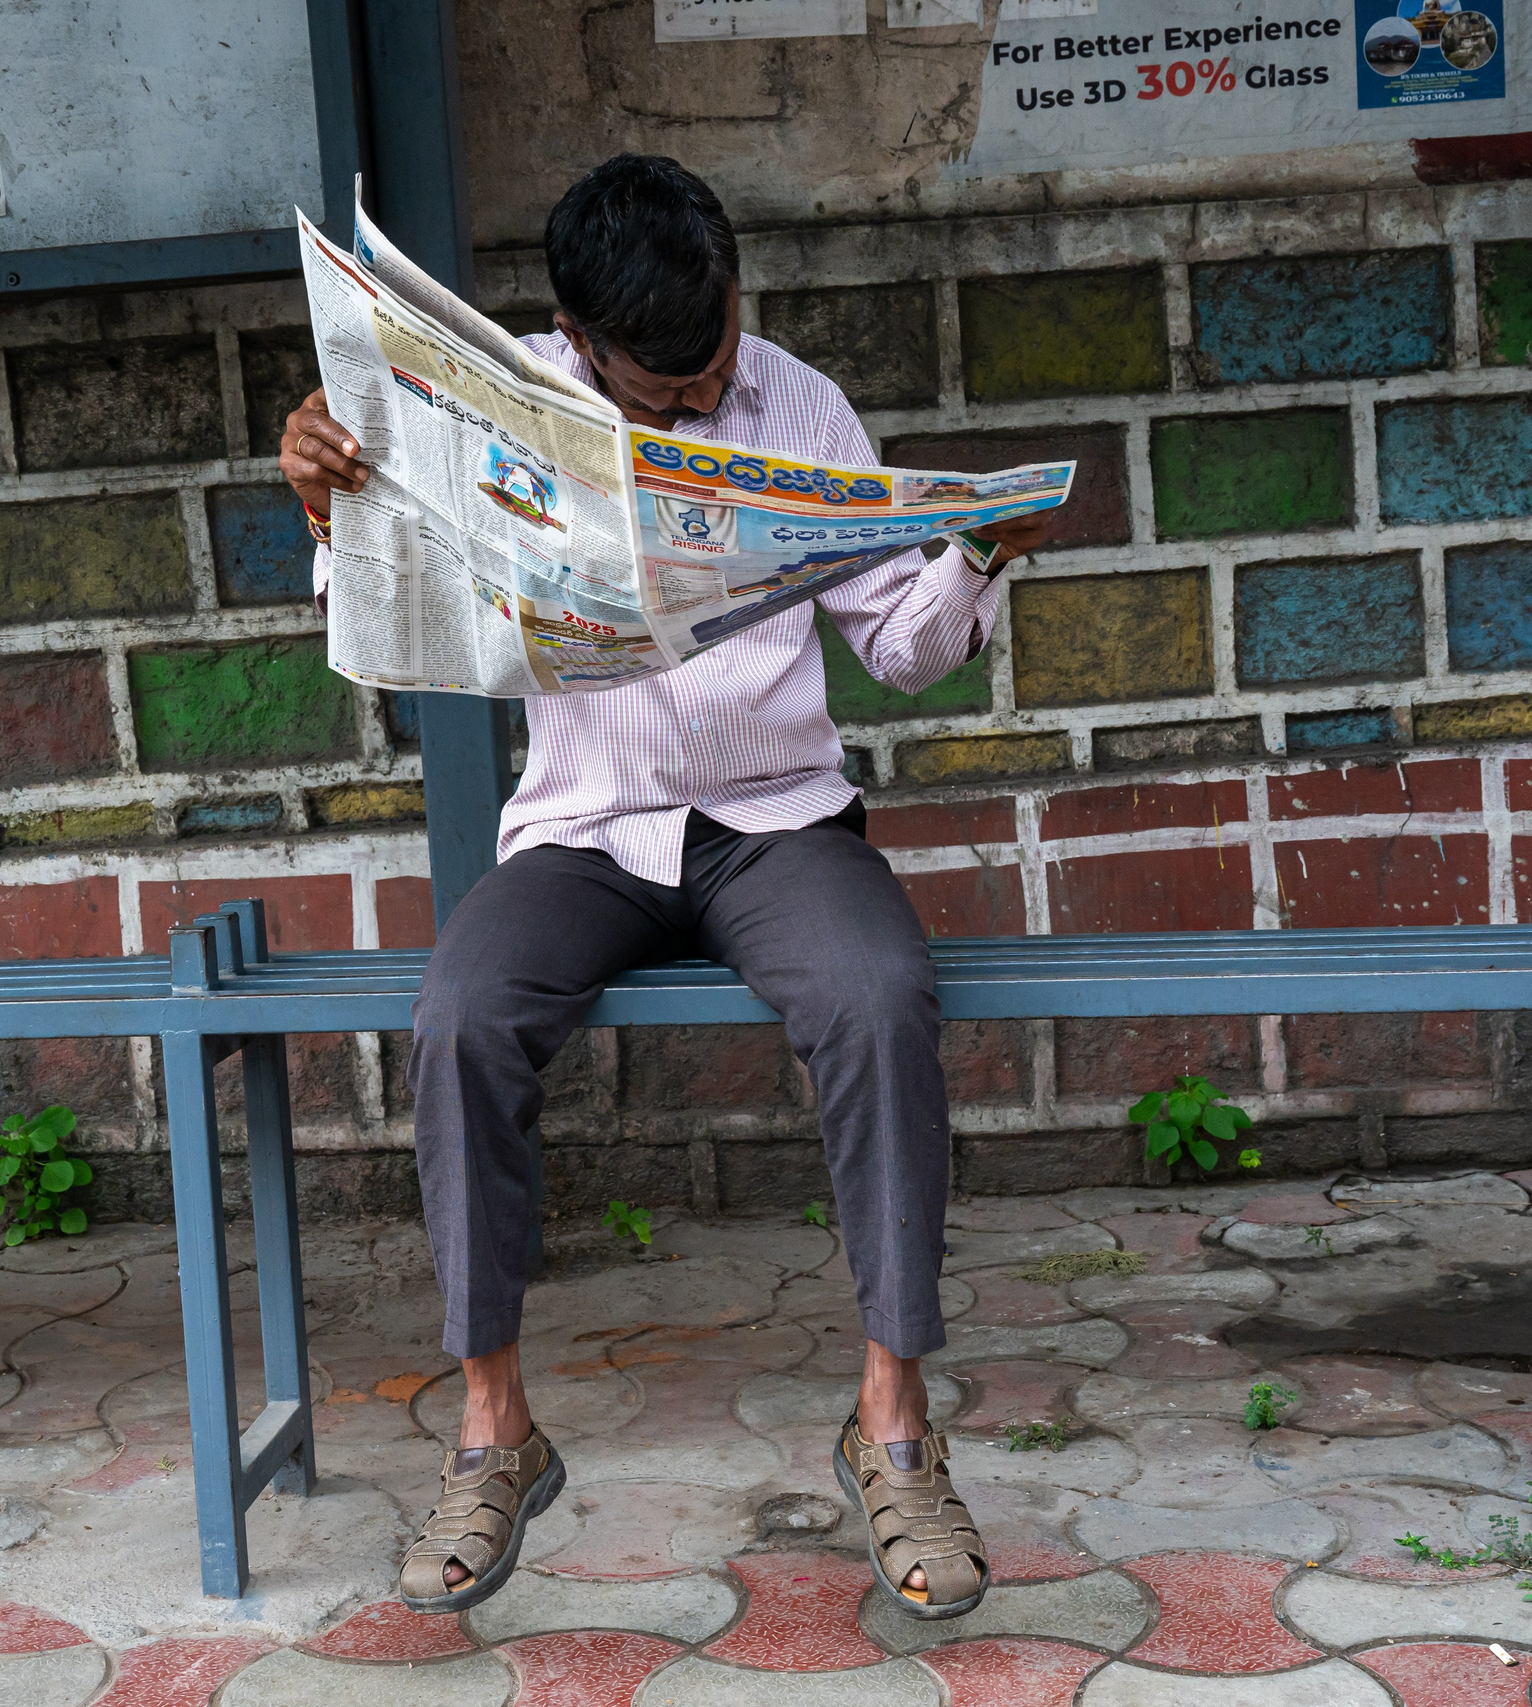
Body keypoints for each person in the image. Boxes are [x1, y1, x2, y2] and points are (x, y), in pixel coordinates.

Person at [279, 153, 1052, 1620]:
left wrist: (969, 560)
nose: (705, 395)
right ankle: (497, 1429)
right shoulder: (494, 398)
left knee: (882, 994)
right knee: (461, 1018)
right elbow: (403, 628)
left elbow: (897, 646)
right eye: (666, 383)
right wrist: (328, 515)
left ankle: (891, 1423)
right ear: (581, 343)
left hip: (776, 820)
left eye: (716, 357)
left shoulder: (799, 404)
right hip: (585, 824)